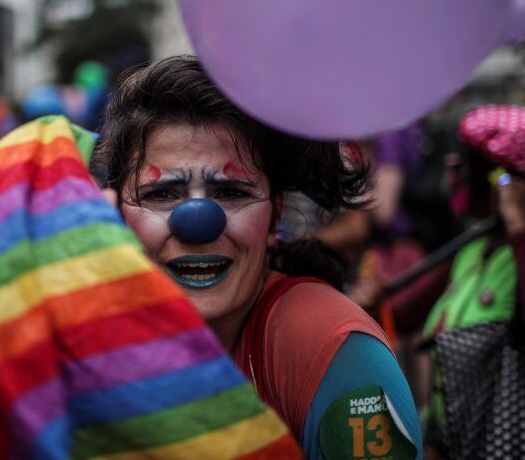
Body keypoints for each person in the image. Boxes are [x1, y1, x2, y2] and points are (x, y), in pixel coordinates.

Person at [95, 55, 423, 459]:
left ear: (276, 214)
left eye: (231, 192)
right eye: (161, 194)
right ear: (115, 212)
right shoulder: (83, 340)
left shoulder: (329, 346)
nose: (198, 223)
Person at [365, 105, 525, 458]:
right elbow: (400, 313)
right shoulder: (473, 249)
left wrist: (519, 226)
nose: (453, 181)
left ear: (503, 182)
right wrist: (366, 304)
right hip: (454, 442)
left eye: (462, 169)